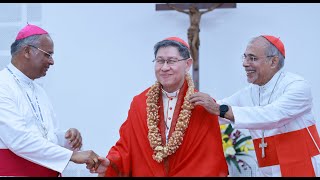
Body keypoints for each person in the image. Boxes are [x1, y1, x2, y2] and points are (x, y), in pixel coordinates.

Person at [90, 37, 228, 177]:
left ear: (187, 64)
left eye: (171, 61)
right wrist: (110, 163)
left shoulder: (203, 105)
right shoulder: (140, 103)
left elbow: (210, 158)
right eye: (160, 61)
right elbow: (126, 147)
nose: (164, 67)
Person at [189, 35, 320, 177]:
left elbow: (273, 116)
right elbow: (215, 111)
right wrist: (183, 108)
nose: (245, 63)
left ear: (273, 61)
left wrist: (220, 109)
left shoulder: (297, 86)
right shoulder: (250, 92)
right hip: (266, 170)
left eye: (252, 58)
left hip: (302, 166)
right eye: (245, 57)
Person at [0, 24, 100, 177]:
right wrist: (71, 156)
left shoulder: (39, 91)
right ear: (27, 51)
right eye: (47, 54)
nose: (52, 61)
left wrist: (66, 138)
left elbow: (46, 136)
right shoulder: (3, 85)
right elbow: (18, 139)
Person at [166, 3, 222, 71]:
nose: (190, 10)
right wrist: (171, 6)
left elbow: (210, 9)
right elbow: (180, 10)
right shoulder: (190, 14)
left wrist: (218, 4)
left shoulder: (199, 14)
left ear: (194, 9)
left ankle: (195, 62)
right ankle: (194, 60)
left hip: (195, 31)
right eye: (189, 9)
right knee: (190, 46)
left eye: (191, 9)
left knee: (193, 44)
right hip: (190, 31)